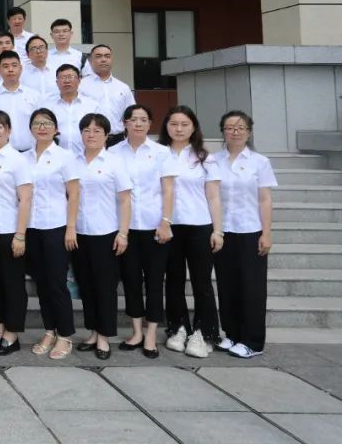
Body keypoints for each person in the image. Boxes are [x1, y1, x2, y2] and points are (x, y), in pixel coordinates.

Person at [210, 111, 277, 359]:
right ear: (223, 131)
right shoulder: (214, 160)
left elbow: (265, 199)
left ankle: (253, 341)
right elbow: (212, 195)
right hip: (223, 230)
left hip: (251, 230)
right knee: (227, 285)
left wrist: (266, 233)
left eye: (240, 128)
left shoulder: (260, 162)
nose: (235, 132)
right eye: (229, 127)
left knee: (252, 287)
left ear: (249, 132)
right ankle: (232, 334)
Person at [160, 105, 224, 359]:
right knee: (173, 281)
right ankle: (178, 328)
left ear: (194, 127)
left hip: (199, 225)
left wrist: (218, 230)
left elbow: (214, 196)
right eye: (173, 124)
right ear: (166, 127)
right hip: (168, 227)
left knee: (201, 282)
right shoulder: (159, 154)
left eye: (184, 124)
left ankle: (203, 333)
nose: (178, 129)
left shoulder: (205, 158)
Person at [110, 104, 172, 358]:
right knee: (131, 281)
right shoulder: (113, 152)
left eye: (143, 120)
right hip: (124, 228)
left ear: (150, 124)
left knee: (154, 281)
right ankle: (136, 332)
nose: (138, 124)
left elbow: (168, 189)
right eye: (133, 119)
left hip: (154, 227)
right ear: (124, 123)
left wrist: (166, 221)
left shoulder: (161, 152)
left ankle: (151, 334)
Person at [71, 113, 132, 360]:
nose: (91, 135)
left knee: (105, 287)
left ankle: (104, 337)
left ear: (107, 135)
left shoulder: (114, 162)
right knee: (86, 285)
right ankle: (93, 332)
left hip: (106, 233)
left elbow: (125, 200)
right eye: (86, 130)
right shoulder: (74, 161)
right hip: (79, 233)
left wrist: (123, 233)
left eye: (97, 131)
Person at [24, 107, 80, 361]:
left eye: (47, 123)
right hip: (31, 228)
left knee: (57, 283)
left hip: (56, 227)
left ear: (56, 129)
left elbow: (74, 193)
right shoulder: (24, 158)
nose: (42, 127)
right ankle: (49, 330)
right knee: (41, 283)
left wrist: (71, 227)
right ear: (31, 129)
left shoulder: (64, 157)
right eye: (37, 123)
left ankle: (65, 335)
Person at [0, 110, 33, 355]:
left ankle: (12, 334)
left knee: (12, 284)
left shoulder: (17, 160)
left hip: (9, 230)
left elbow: (25, 199)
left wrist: (20, 235)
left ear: (9, 131)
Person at [0, 51, 41, 152]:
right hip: (0, 153)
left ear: (21, 68)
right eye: (5, 66)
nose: (10, 70)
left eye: (14, 65)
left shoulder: (35, 96)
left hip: (31, 152)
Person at [79, 45, 136, 139]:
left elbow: (131, 115)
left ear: (112, 59)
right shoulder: (81, 86)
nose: (103, 59)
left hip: (118, 139)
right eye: (98, 56)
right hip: (91, 139)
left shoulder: (123, 87)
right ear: (90, 61)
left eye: (107, 56)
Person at [45, 64, 99, 156]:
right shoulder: (47, 106)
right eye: (63, 77)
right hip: (55, 157)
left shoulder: (92, 105)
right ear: (57, 82)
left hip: (85, 156)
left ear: (79, 80)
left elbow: (100, 132)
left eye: (70, 77)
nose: (67, 81)